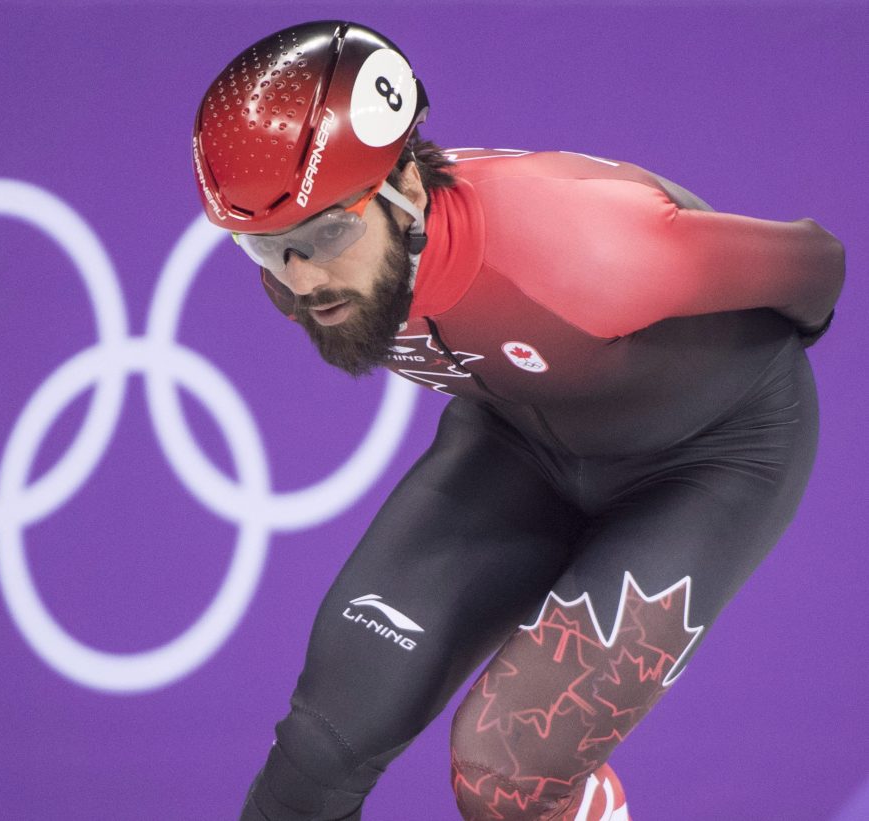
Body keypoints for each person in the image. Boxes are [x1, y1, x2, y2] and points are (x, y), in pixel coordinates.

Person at [190, 20, 844, 821]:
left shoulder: (582, 248)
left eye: (328, 231)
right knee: (317, 756)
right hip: (519, 442)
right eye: (265, 247)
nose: (303, 277)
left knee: (508, 770)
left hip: (710, 459)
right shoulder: (303, 275)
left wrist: (707, 372)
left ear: (406, 186)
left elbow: (817, 263)